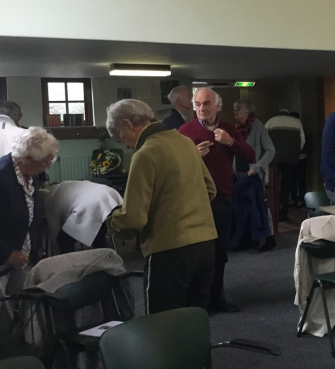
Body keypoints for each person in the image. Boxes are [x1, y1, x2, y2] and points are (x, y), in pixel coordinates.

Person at [106, 99, 217, 315]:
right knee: (195, 321)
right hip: (206, 246)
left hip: (169, 252)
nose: (126, 145)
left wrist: (111, 222)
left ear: (128, 124)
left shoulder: (145, 154)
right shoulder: (185, 142)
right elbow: (210, 190)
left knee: (162, 325)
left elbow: (134, 218)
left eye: (121, 138)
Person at [179, 88, 256, 312]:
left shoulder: (229, 129)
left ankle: (216, 299)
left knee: (219, 253)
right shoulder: (185, 131)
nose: (202, 108)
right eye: (198, 104)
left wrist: (230, 142)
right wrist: (194, 156)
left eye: (206, 103)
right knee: (197, 254)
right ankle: (197, 302)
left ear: (217, 106)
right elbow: (175, 167)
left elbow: (250, 155)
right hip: (194, 201)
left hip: (222, 199)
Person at [0, 127, 58, 330]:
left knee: (30, 304)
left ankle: (32, 344)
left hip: (23, 255)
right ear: (26, 158)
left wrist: (35, 250)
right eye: (45, 162)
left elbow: (32, 217)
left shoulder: (30, 174)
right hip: (4, 256)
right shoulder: (2, 176)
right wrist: (6, 253)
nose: (47, 167)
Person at [232, 99, 276, 252]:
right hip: (240, 173)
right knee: (246, 207)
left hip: (253, 174)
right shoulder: (238, 128)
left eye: (238, 108)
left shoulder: (258, 126)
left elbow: (270, 150)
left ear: (247, 111)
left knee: (261, 206)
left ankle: (270, 239)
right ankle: (252, 238)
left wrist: (258, 167)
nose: (235, 110)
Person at [45, 180, 123, 254]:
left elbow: (54, 230)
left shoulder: (49, 200)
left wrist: (56, 257)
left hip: (93, 202)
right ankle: (108, 260)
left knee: (63, 240)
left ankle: (71, 263)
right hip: (111, 195)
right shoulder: (61, 186)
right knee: (97, 237)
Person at [265, 104, 305, 220]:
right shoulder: (296, 122)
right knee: (286, 184)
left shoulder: (271, 121)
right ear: (289, 110)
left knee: (274, 184)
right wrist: (295, 152)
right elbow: (302, 141)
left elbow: (264, 139)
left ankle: (274, 210)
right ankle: (284, 212)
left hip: (274, 158)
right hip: (291, 158)